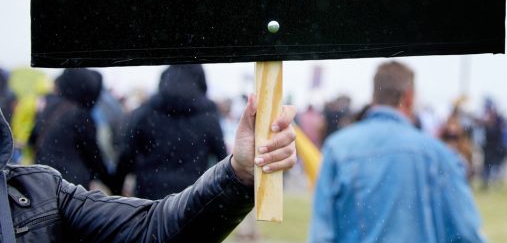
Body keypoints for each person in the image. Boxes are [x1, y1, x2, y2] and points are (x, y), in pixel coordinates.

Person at [1, 89, 296, 241]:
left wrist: (238, 172)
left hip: (161, 192)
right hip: (176, 187)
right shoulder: (204, 115)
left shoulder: (40, 195)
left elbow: (151, 230)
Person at [308, 60, 486, 243]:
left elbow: (321, 234)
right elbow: (467, 234)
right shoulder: (437, 155)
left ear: (374, 96)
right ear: (408, 97)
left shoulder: (338, 148)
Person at [114, 64, 227, 199]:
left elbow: (126, 155)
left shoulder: (146, 113)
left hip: (150, 197)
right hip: (192, 199)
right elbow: (223, 161)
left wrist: (116, 188)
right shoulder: (208, 118)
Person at [30, 68, 116, 190]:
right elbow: (93, 156)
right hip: (70, 187)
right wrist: (113, 185)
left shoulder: (51, 107)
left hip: (44, 180)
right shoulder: (80, 115)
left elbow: (32, 138)